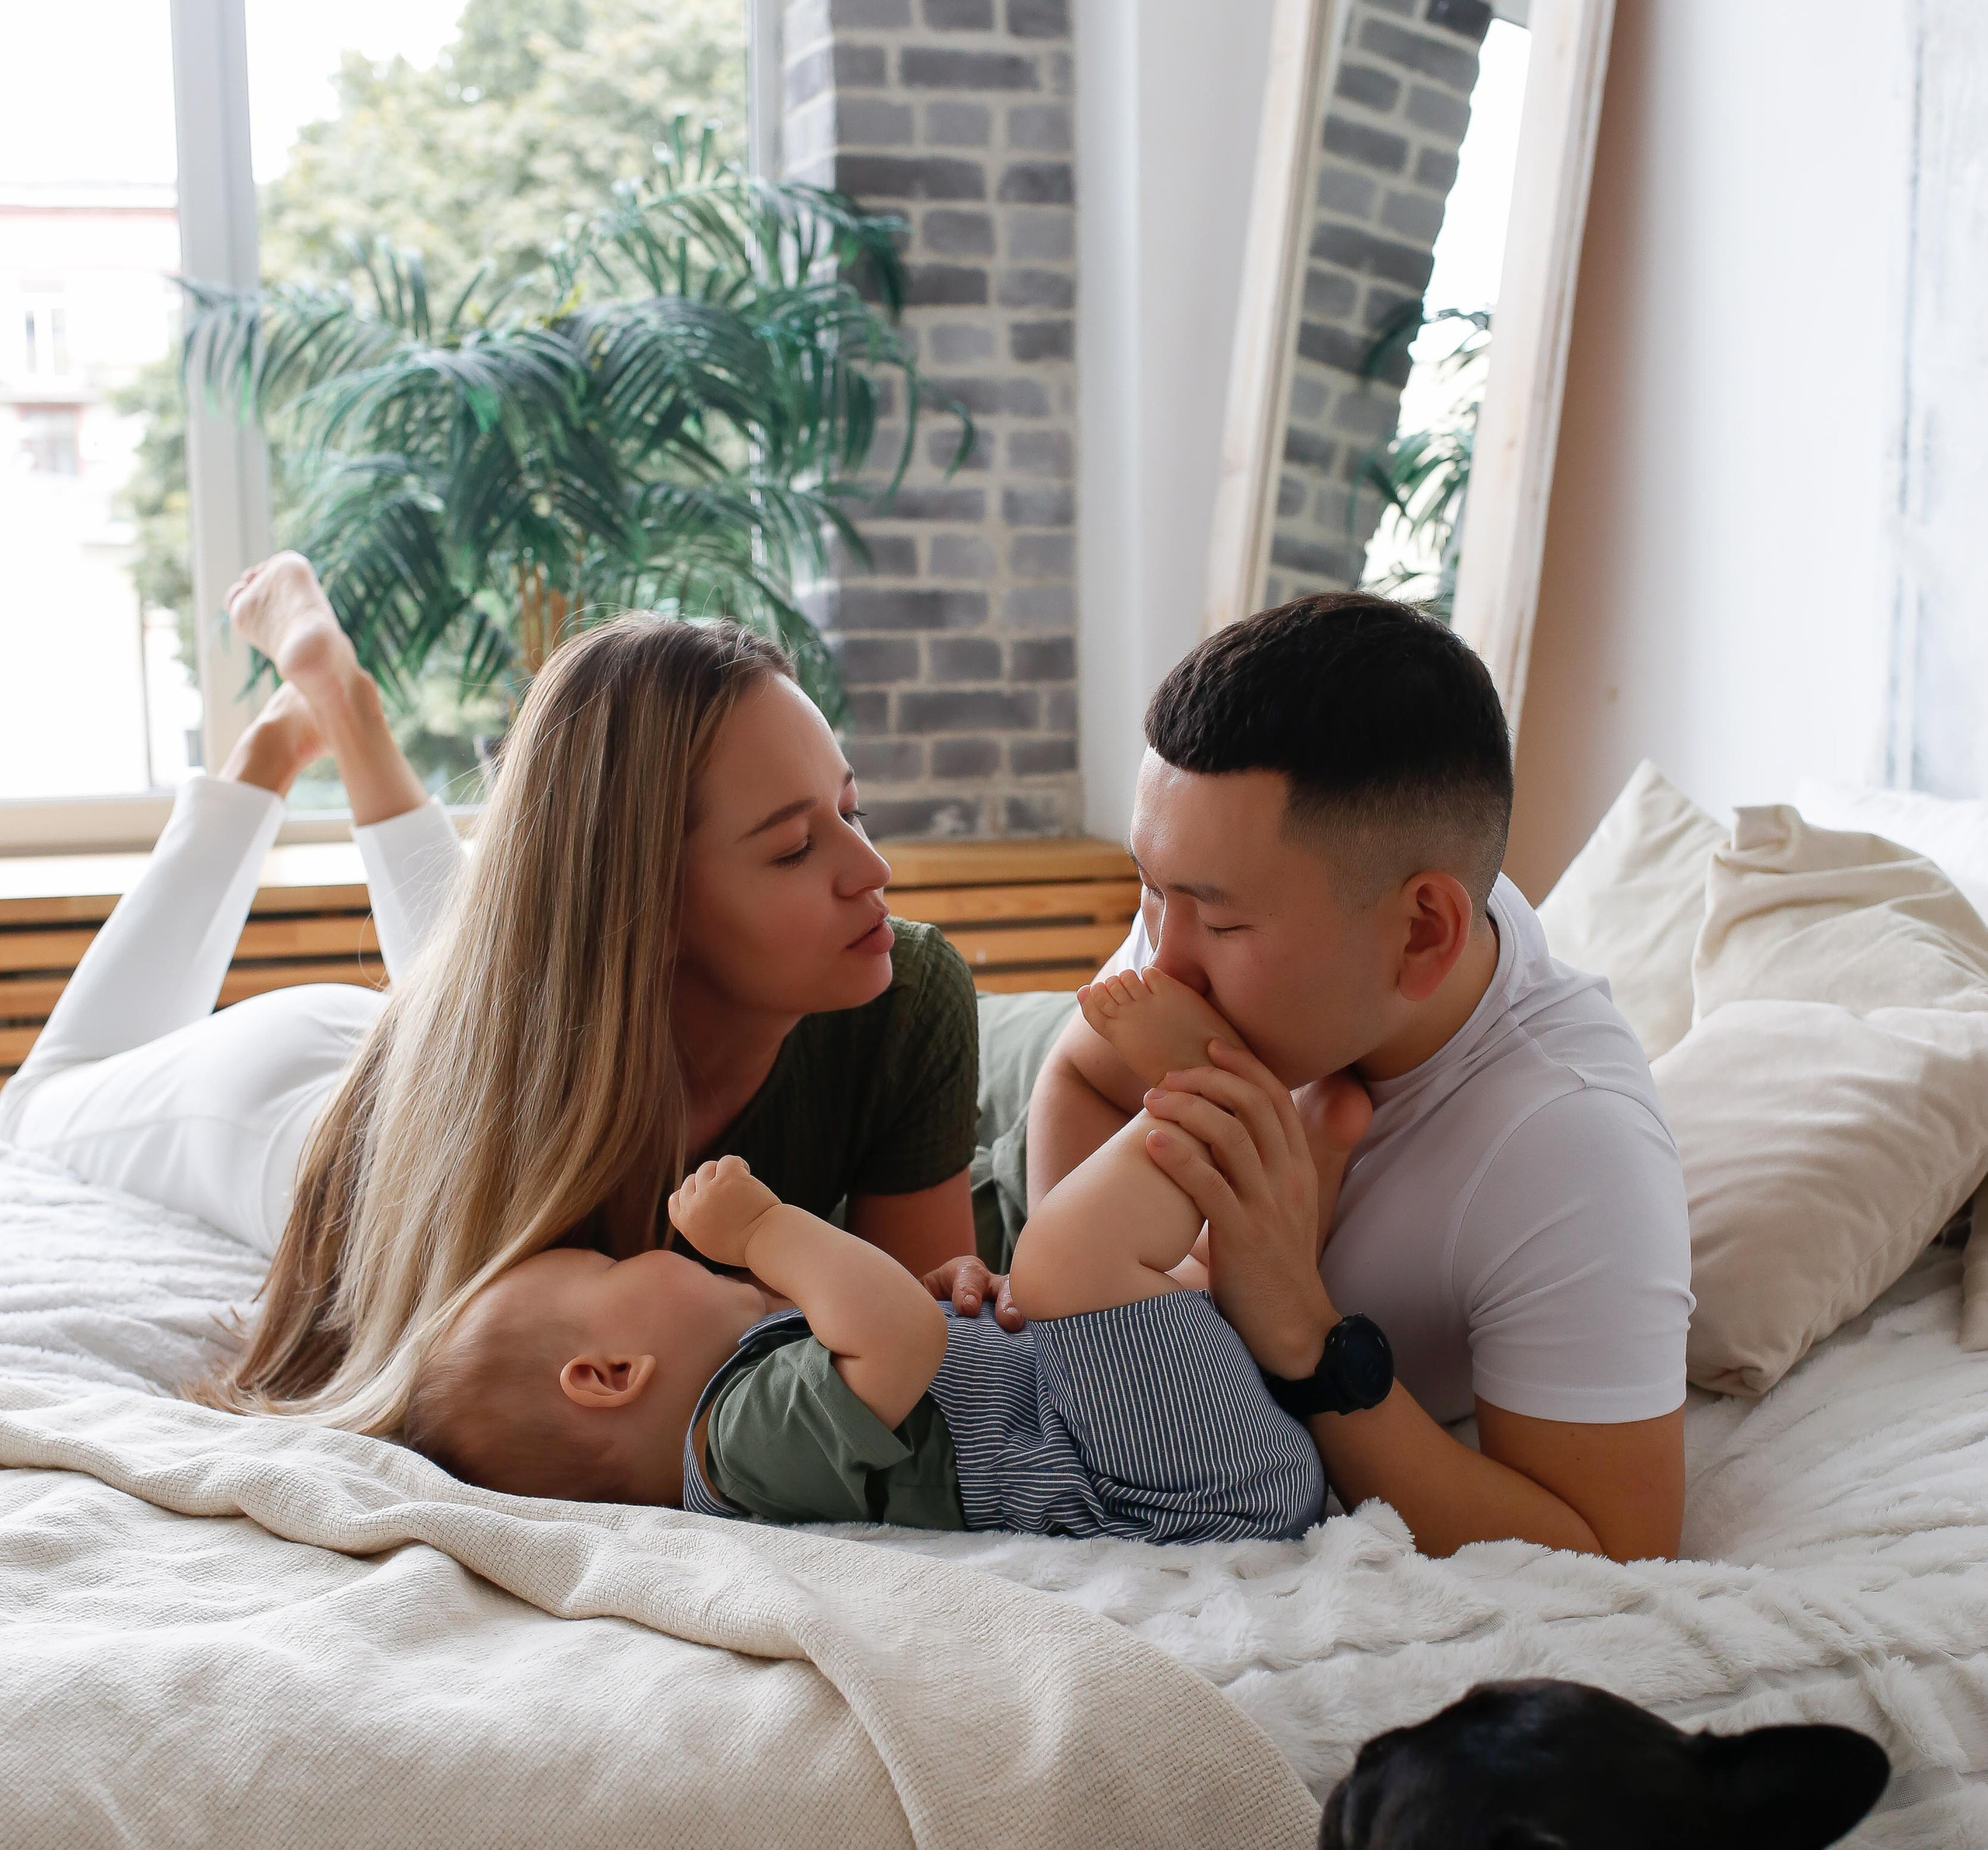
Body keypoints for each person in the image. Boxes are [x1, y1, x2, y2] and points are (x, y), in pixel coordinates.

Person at [0, 556, 982, 1433]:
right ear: (647, 901)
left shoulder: (905, 993)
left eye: (852, 808)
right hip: (286, 1096)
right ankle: (265, 760)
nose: (874, 871)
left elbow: (932, 1358)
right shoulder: (476, 1129)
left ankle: (344, 708)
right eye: (796, 847)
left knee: (498, 970)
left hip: (506, 1034)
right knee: (38, 1102)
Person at [1017, 593, 1694, 1563]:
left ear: (1421, 933)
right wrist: (1079, 1330)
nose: (1160, 967)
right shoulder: (1217, 906)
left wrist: (1302, 1333)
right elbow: (1083, 1073)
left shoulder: (1569, 1147)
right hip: (1015, 1101)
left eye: (1221, 921)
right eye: (1149, 889)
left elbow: (1615, 1553)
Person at [399, 960, 1333, 1543]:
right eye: (612, 1271)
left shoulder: (761, 1413)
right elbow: (897, 1340)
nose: (647, 1253)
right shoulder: (733, 1444)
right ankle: (1217, 1094)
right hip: (1163, 1485)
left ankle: (1303, 1151)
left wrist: (942, 1295)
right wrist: (761, 1229)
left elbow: (906, 1333)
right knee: (1065, 1262)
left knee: (1162, 1281)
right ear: (609, 1375)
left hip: (1161, 1446)